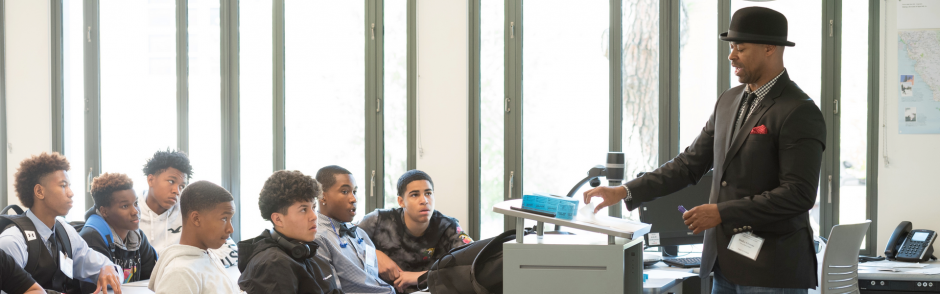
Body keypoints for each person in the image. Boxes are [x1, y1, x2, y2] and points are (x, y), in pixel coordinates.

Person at [585, 7, 824, 293]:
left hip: (772, 270)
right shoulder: (728, 100)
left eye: (741, 49)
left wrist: (722, 212)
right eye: (732, 47)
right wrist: (625, 191)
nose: (731, 56)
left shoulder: (798, 110)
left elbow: (798, 194)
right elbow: (688, 164)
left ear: (770, 48)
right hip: (724, 265)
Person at [0, 152, 124, 294]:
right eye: (63, 185)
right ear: (39, 191)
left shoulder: (65, 231)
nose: (71, 193)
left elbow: (106, 268)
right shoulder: (12, 241)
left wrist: (109, 269)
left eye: (69, 185)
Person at [359, 170, 472, 292]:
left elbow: (472, 262)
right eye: (414, 195)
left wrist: (419, 277)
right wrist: (375, 255)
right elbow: (344, 241)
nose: (424, 200)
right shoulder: (378, 220)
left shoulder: (448, 226)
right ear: (401, 201)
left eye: (428, 193)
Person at [238, 170, 343, 294]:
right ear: (278, 219)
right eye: (303, 210)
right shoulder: (273, 264)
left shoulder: (306, 250)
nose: (314, 216)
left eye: (313, 207)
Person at [137, 149, 237, 266]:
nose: (177, 191)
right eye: (171, 181)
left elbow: (231, 252)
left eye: (182, 186)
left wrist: (191, 265)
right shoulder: (130, 212)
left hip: (180, 277)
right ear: (151, 180)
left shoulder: (189, 211)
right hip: (138, 282)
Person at [147, 181, 240, 294]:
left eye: (230, 219)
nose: (231, 229)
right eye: (224, 218)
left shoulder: (208, 256)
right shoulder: (179, 273)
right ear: (196, 219)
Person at [314, 165, 395, 294]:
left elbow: (372, 279)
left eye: (355, 192)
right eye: (345, 192)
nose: (354, 199)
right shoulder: (318, 237)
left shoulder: (359, 232)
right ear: (323, 197)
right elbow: (332, 290)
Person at [79, 172, 158, 293]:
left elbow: (151, 280)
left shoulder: (138, 236)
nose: (135, 211)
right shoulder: (92, 238)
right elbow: (99, 290)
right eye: (125, 206)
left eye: (136, 203)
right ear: (104, 211)